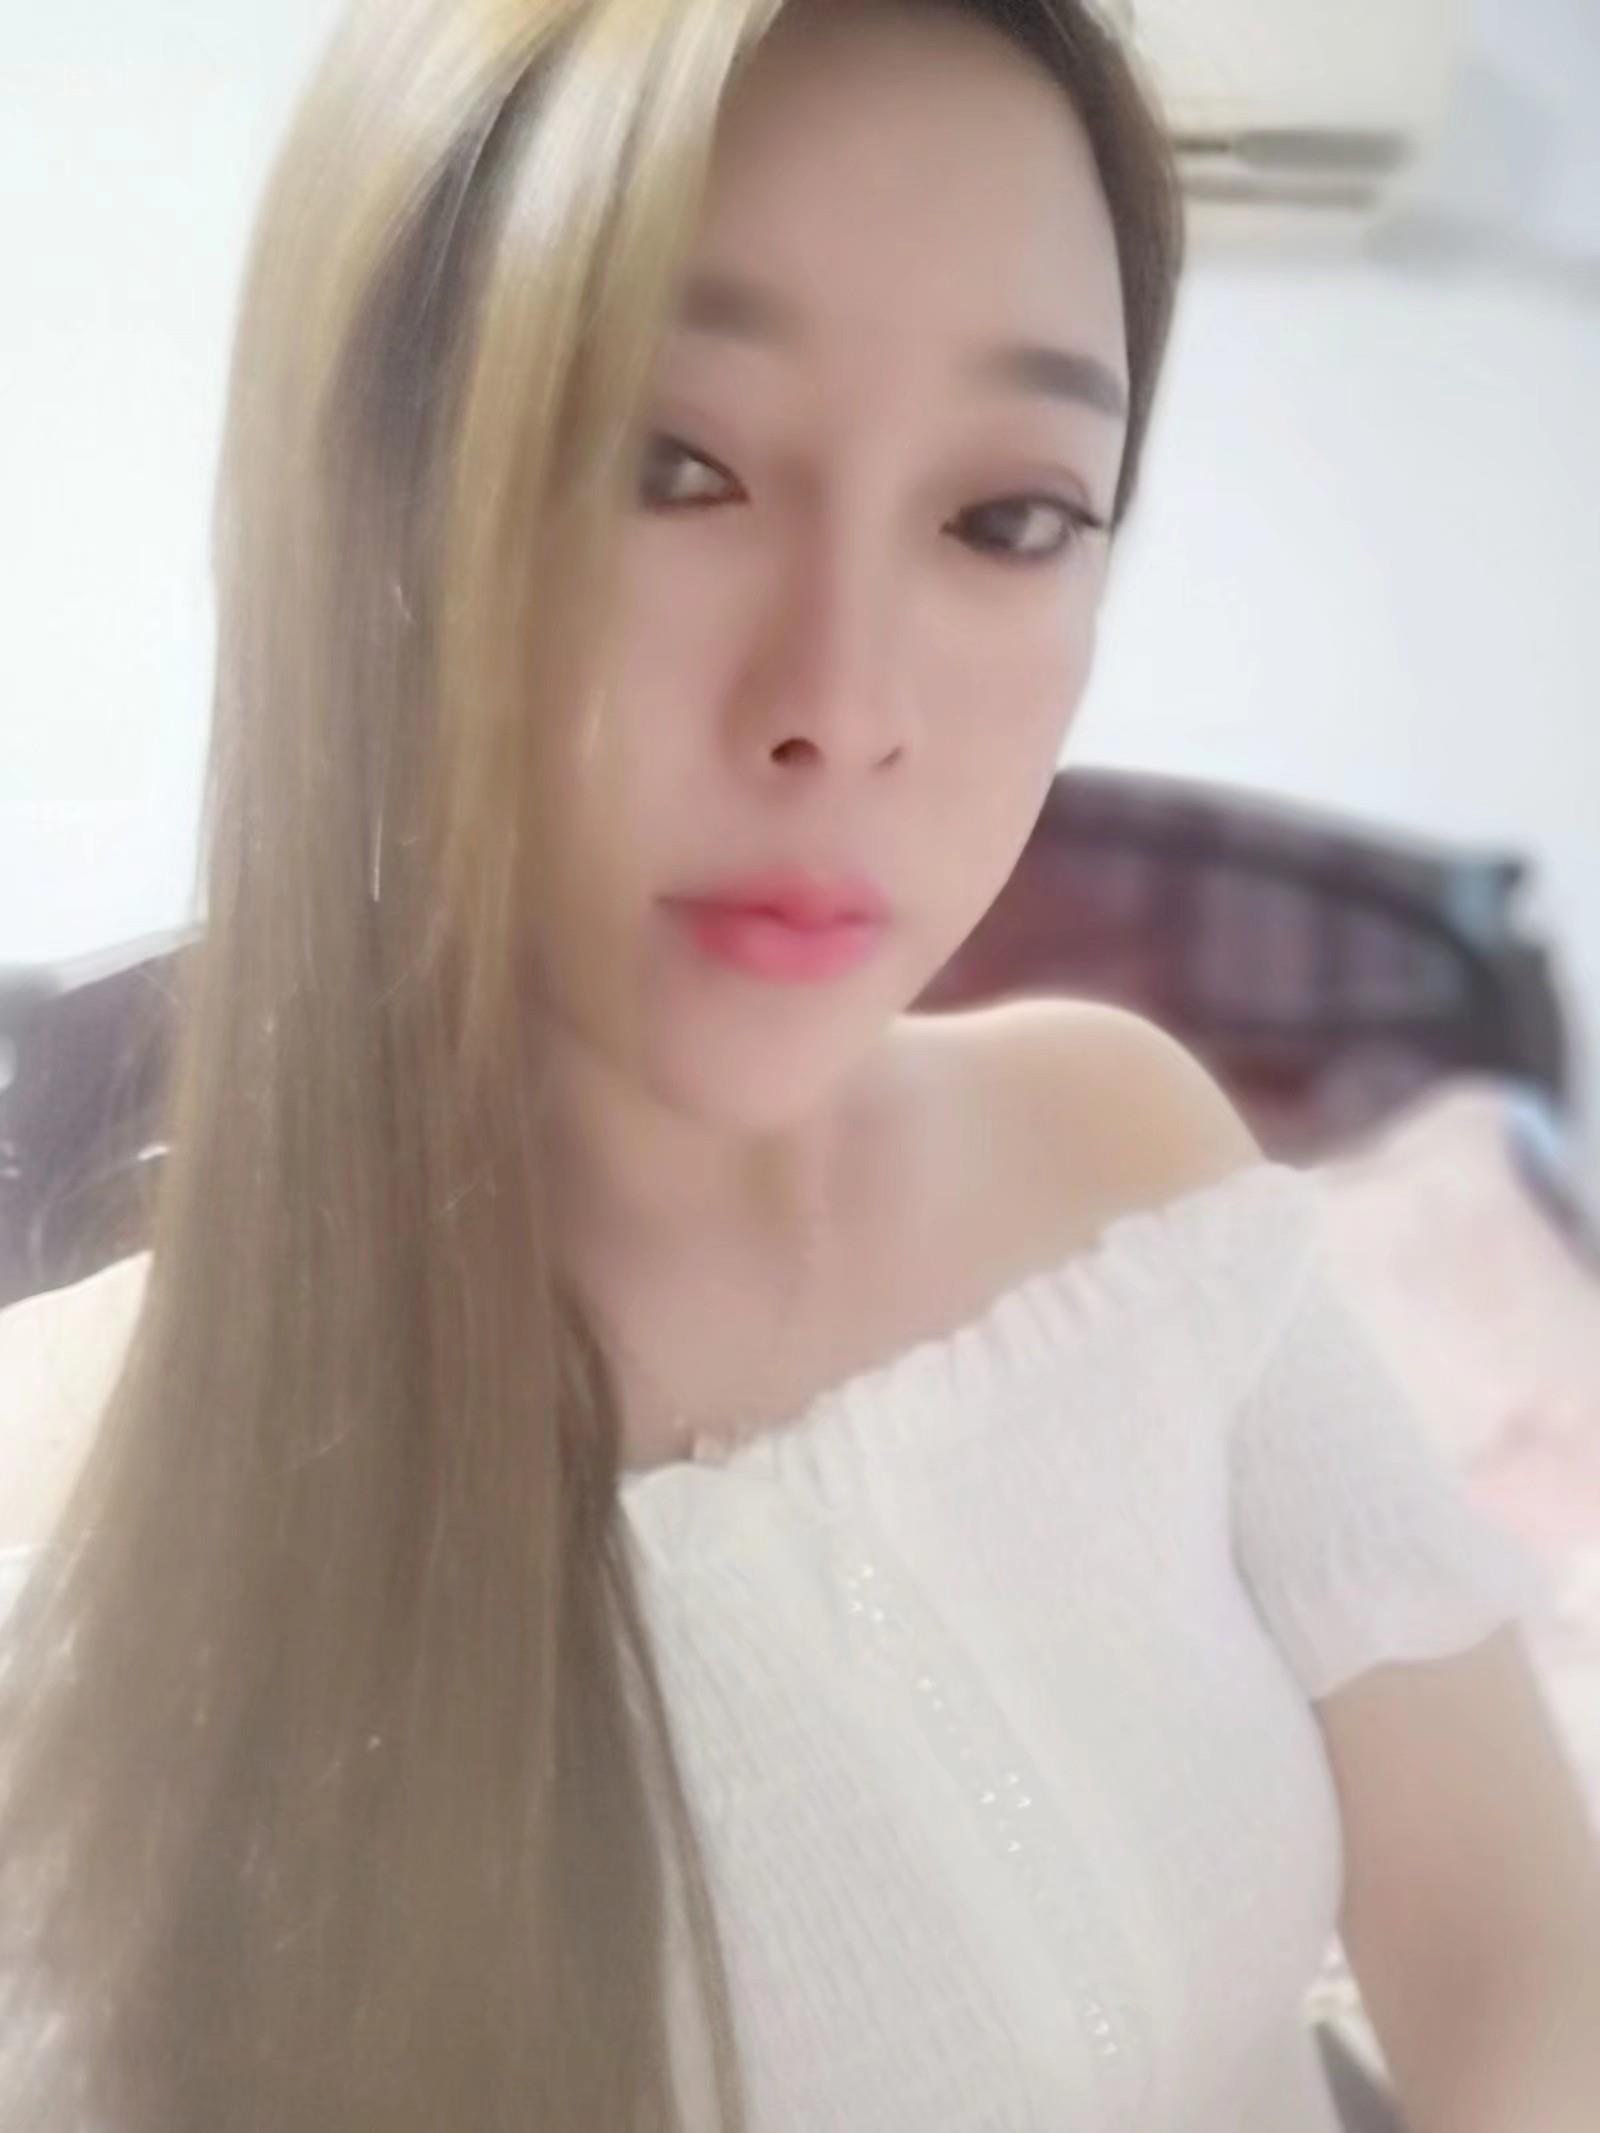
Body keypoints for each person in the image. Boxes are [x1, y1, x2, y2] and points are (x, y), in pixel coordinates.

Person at [1, 0, 1596, 2127]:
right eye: (667, 464)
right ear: (370, 515)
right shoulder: (72, 1534)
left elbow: (1516, 1954)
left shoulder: (1129, 1155)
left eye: (1007, 514)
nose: (842, 704)